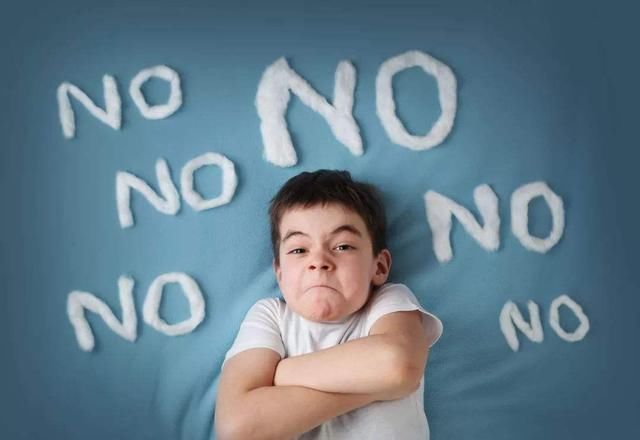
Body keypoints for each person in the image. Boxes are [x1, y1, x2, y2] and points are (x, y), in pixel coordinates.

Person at [215, 170, 443, 440]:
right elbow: (237, 427)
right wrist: (378, 387)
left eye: (343, 246)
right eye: (299, 250)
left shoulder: (388, 301)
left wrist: (282, 373)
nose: (319, 261)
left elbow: (398, 364)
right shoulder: (270, 315)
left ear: (379, 266)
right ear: (280, 272)